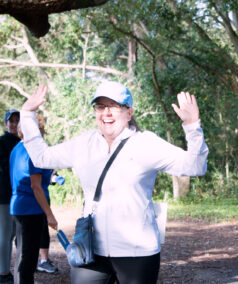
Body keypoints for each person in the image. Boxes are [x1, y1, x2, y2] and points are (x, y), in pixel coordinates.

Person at [20, 81, 209, 284]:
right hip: (91, 250)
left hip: (137, 252)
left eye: (114, 106)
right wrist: (27, 114)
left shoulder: (146, 144)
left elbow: (195, 166)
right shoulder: (83, 144)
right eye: (101, 107)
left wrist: (192, 127)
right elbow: (41, 157)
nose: (106, 113)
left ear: (129, 112)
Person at [9, 115, 58, 284]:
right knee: (27, 258)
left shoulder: (17, 148)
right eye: (41, 128)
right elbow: (36, 187)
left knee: (23, 254)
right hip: (31, 208)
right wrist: (49, 214)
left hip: (19, 207)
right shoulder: (32, 152)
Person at [0, 109, 20, 284]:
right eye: (11, 121)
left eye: (17, 121)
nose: (14, 124)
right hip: (4, 195)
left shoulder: (22, 142)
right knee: (5, 234)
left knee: (13, 233)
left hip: (19, 196)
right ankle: (3, 273)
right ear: (6, 123)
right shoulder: (2, 142)